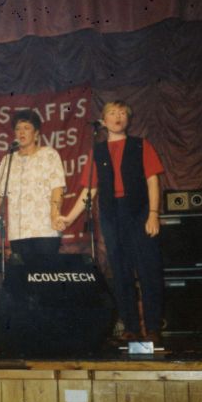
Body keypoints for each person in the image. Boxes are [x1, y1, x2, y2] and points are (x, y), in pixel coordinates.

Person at [57, 100, 165, 341]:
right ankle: (131, 328)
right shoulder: (99, 151)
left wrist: (153, 214)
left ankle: (154, 327)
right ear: (103, 122)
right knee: (121, 271)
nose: (118, 117)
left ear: (128, 119)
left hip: (139, 212)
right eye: (112, 113)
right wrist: (68, 218)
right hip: (112, 215)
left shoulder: (141, 145)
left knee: (148, 270)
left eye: (122, 113)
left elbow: (152, 181)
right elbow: (89, 191)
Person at [0, 110, 66, 264]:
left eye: (27, 127)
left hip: (45, 230)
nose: (21, 132)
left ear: (36, 133)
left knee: (45, 280)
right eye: (18, 128)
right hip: (18, 233)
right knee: (24, 280)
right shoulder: (8, 160)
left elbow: (57, 188)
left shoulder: (49, 155)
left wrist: (54, 215)